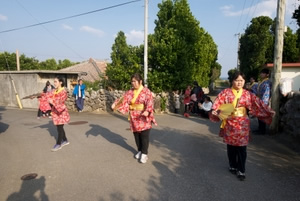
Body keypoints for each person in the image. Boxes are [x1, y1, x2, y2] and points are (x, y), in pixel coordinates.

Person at [210, 71, 274, 181]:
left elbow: (258, 103)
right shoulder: (225, 93)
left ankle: (241, 170)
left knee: (242, 147)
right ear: (232, 81)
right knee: (231, 146)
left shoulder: (248, 94)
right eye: (237, 80)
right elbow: (217, 103)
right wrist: (215, 111)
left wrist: (268, 110)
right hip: (229, 122)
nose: (239, 82)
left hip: (243, 123)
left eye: (241, 80)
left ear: (244, 81)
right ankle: (233, 165)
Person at [111, 73, 157, 164]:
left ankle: (144, 153)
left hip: (143, 115)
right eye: (132, 81)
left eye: (135, 81)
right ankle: (139, 150)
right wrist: (115, 104)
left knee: (144, 135)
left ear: (140, 81)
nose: (133, 83)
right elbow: (123, 99)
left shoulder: (146, 91)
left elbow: (150, 101)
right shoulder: (130, 92)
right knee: (136, 135)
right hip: (134, 116)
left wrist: (147, 111)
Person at [48, 77, 70, 152]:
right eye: (54, 82)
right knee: (59, 128)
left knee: (60, 128)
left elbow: (60, 101)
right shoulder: (54, 90)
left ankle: (58, 144)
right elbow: (47, 95)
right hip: (56, 112)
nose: (54, 83)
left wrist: (52, 102)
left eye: (55, 81)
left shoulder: (63, 92)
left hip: (61, 112)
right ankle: (65, 140)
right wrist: (38, 96)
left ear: (60, 82)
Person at [254, 68, 272, 135]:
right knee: (259, 116)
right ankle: (259, 129)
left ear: (267, 74)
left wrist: (263, 103)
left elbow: (266, 94)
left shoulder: (267, 82)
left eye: (263, 73)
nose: (261, 74)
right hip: (259, 100)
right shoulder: (263, 81)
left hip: (263, 101)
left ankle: (262, 130)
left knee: (262, 117)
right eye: (261, 73)